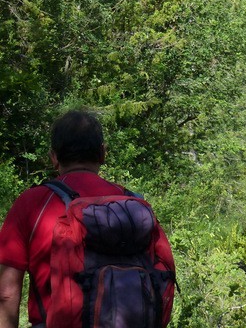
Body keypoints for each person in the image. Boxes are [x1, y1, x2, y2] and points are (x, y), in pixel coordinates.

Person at [0, 109, 175, 328]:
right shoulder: (131, 202)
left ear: (53, 157)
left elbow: (6, 293)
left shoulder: (32, 203)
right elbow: (163, 276)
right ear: (103, 153)